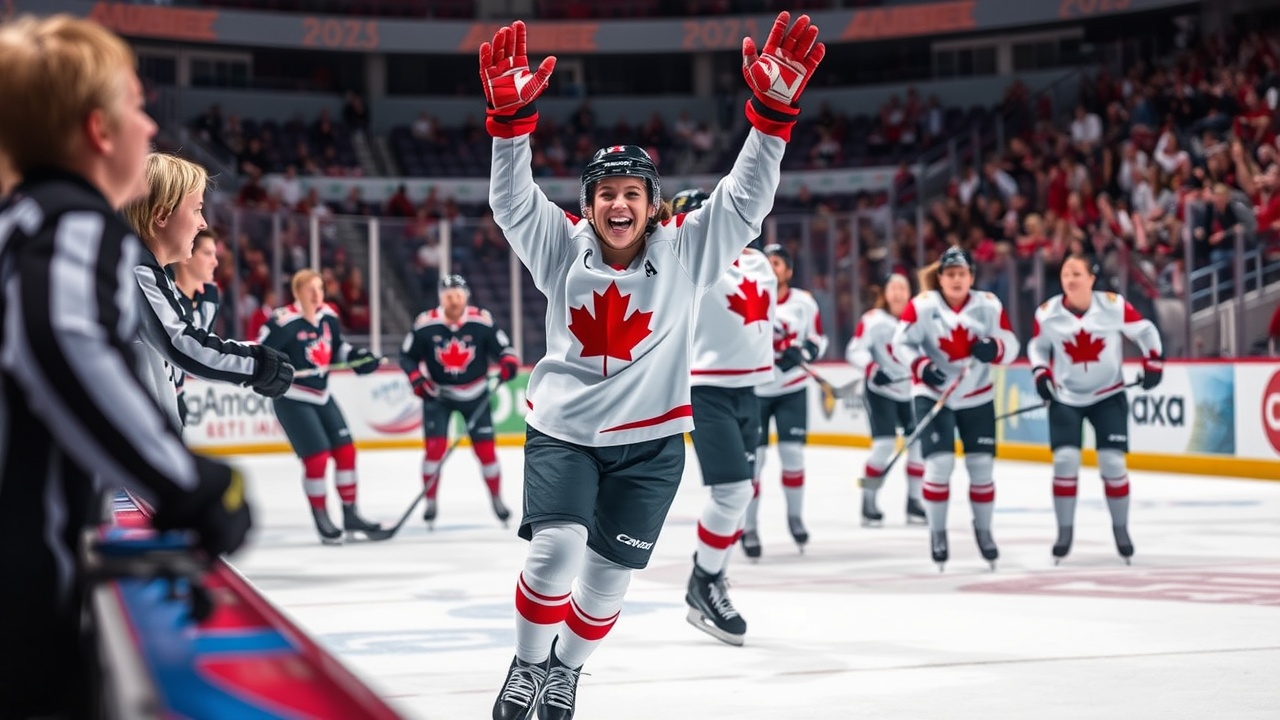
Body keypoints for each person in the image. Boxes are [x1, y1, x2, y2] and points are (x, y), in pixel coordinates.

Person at [480, 13, 823, 719]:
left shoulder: (686, 250)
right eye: (606, 192)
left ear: (652, 205)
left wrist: (772, 119)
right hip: (565, 434)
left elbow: (745, 200)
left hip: (652, 444)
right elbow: (511, 203)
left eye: (632, 192)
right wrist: (511, 127)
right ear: (588, 205)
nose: (619, 202)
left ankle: (565, 672)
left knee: (607, 580)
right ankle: (528, 663)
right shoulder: (559, 245)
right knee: (555, 554)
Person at [0, 15, 251, 717]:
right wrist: (192, 487)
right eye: (137, 107)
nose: (151, 127)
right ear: (98, 131)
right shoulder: (75, 226)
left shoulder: (18, 221)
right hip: (24, 577)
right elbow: (64, 350)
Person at [122, 152, 294, 432]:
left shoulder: (146, 271)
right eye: (196, 210)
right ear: (162, 215)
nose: (202, 223)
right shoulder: (136, 270)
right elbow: (181, 343)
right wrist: (259, 365)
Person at [674, 188, 776, 646]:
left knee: (739, 493)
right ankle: (705, 581)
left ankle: (710, 579)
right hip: (705, 389)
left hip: (749, 390)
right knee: (733, 491)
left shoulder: (757, 263)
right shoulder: (685, 261)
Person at [891, 246, 1020, 570]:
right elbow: (900, 343)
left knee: (981, 468)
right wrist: (920, 365)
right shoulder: (922, 306)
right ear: (940, 278)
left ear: (971, 277)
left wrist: (995, 348)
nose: (956, 280)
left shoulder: (988, 305)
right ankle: (937, 533)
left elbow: (1011, 344)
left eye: (962, 274)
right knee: (940, 465)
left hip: (977, 395)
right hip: (933, 395)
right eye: (950, 274)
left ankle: (984, 531)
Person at [1027, 254, 1163, 563]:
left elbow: (1145, 330)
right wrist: (1040, 373)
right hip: (1066, 398)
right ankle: (1064, 532)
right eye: (1065, 274)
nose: (1070, 280)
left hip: (1108, 395)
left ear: (1091, 278)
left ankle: (1121, 529)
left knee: (1113, 463)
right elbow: (1038, 346)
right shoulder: (1047, 313)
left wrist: (1154, 361)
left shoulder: (1112, 306)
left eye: (1077, 273)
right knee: (1065, 461)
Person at [258, 269, 387, 543]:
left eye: (320, 288)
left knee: (346, 453)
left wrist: (358, 357)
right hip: (293, 398)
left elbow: (338, 348)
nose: (317, 294)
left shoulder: (328, 316)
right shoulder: (283, 322)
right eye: (311, 289)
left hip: (322, 394)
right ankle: (321, 517)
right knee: (317, 459)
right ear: (297, 293)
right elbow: (262, 353)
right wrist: (273, 371)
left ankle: (351, 515)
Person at [399, 273, 521, 527]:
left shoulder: (482, 320)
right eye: (448, 296)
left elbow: (504, 349)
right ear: (440, 298)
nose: (453, 301)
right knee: (434, 450)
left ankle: (496, 498)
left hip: (475, 395)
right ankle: (430, 501)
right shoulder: (425, 323)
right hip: (438, 395)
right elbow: (407, 356)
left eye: (457, 295)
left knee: (486, 451)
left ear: (466, 296)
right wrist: (416, 379)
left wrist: (508, 362)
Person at [744, 242, 827, 557]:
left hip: (792, 389)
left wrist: (803, 352)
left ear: (789, 271)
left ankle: (795, 517)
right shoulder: (747, 296)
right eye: (767, 261)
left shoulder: (804, 302)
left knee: (793, 456)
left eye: (777, 262)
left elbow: (817, 337)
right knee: (755, 462)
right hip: (757, 390)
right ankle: (749, 527)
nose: (771, 266)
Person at [845, 273, 926, 525]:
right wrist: (872, 369)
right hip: (881, 393)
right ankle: (868, 502)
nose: (898, 293)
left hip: (911, 392)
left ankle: (914, 502)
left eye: (903, 288)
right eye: (893, 288)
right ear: (885, 293)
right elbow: (855, 350)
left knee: (917, 447)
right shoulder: (873, 320)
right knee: (883, 446)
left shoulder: (919, 320)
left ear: (910, 293)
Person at [172, 227, 221, 423]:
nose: (215, 262)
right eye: (207, 253)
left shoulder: (210, 296)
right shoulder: (165, 299)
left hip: (178, 397)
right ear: (186, 256)